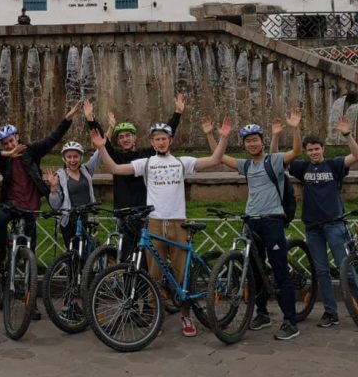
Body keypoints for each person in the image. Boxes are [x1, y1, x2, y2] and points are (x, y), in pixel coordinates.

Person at [93, 115, 233, 338]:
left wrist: (219, 137)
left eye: (164, 138)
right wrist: (101, 148)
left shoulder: (182, 162)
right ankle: (156, 317)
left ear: (171, 141)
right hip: (155, 223)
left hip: (179, 222)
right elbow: (116, 169)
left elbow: (216, 159)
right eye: (157, 139)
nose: (160, 142)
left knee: (181, 274)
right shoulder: (146, 163)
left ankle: (186, 316)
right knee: (154, 275)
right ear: (152, 143)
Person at [0, 100, 81, 319]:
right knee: (1, 218)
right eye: (5, 143)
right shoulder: (4, 158)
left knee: (31, 257)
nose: (9, 144)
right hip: (11, 204)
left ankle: (30, 302)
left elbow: (52, 139)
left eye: (11, 140)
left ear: (18, 137)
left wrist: (67, 118)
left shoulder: (31, 152)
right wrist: (5, 155)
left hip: (30, 208)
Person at [214, 108, 303, 341]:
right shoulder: (246, 166)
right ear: (244, 145)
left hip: (272, 221)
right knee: (255, 270)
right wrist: (215, 136)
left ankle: (290, 321)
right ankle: (262, 314)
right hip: (251, 222)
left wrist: (294, 129)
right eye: (248, 141)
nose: (252, 144)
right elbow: (219, 157)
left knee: (280, 270)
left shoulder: (273, 161)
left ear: (262, 142)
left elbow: (296, 151)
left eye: (255, 140)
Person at [288, 115, 358, 329]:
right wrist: (293, 130)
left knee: (346, 270)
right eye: (310, 150)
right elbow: (281, 159)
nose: (313, 153)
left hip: (335, 225)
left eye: (316, 149)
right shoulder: (303, 168)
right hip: (313, 228)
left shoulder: (334, 165)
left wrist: (347, 135)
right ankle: (331, 313)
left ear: (323, 149)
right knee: (321, 272)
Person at [89, 95, 185, 260]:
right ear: (118, 141)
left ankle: (146, 283)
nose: (125, 139)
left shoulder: (147, 155)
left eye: (128, 135)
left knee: (146, 254)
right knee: (125, 254)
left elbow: (163, 137)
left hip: (143, 212)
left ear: (135, 138)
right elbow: (102, 142)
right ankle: (127, 283)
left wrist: (177, 113)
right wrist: (91, 119)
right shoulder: (117, 157)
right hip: (123, 212)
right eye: (121, 137)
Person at [45, 113, 101, 247]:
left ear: (81, 157)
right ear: (64, 159)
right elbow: (55, 205)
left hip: (86, 217)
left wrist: (109, 131)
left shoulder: (87, 170)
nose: (72, 160)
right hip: (69, 220)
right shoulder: (60, 176)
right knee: (72, 253)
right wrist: (53, 187)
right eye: (69, 157)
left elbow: (100, 150)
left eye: (75, 156)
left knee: (87, 252)